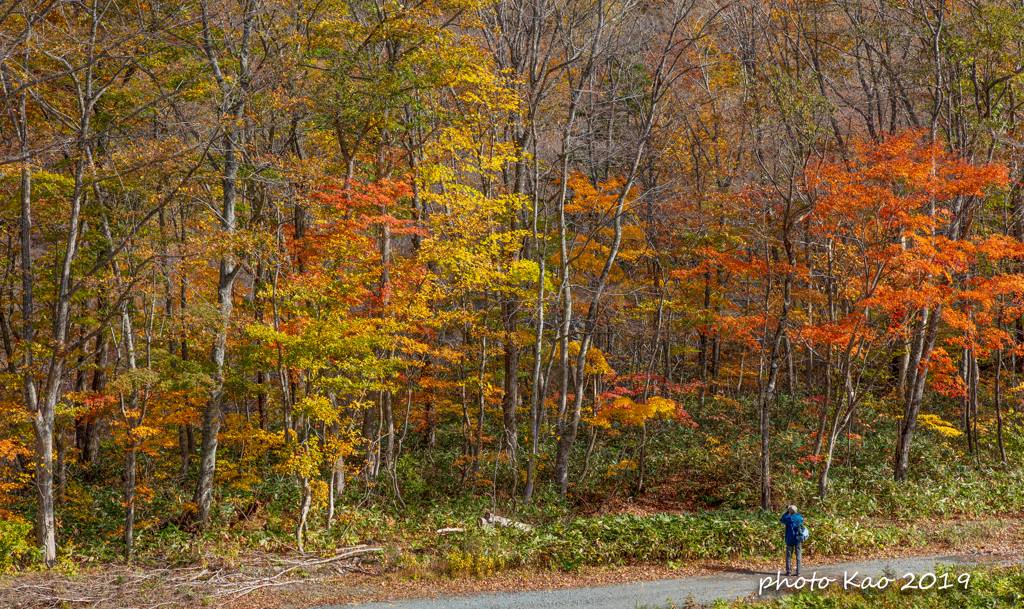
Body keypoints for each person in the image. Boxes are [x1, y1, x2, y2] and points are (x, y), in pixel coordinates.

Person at [779, 505, 803, 576]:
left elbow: (782, 519)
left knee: (788, 556)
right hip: (797, 539)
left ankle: (789, 571)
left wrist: (787, 512)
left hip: (789, 539)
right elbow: (799, 516)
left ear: (790, 511)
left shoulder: (787, 518)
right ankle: (798, 572)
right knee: (798, 556)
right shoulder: (799, 518)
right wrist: (793, 511)